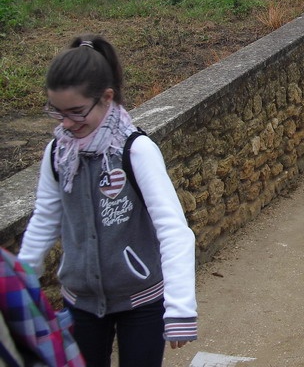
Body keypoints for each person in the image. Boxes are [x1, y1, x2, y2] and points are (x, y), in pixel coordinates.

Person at [18, 35, 197, 367]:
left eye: (77, 112)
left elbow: (173, 229)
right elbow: (45, 219)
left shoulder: (136, 150)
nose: (66, 124)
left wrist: (180, 308)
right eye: (57, 112)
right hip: (80, 303)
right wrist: (20, 283)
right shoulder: (57, 153)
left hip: (142, 302)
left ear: (107, 98)